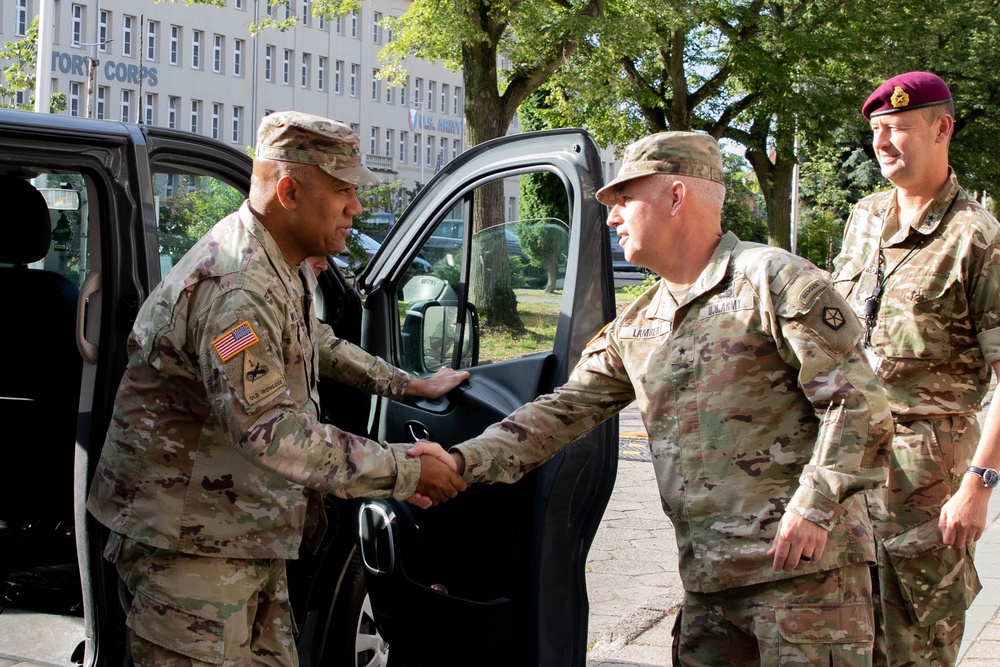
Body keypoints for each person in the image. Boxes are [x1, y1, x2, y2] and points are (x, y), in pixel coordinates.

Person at [413, 131, 894, 665]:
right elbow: (560, 412)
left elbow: (859, 405)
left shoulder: (775, 282)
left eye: (624, 200)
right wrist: (461, 459)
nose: (612, 217)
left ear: (676, 195)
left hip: (806, 583)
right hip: (708, 589)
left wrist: (815, 506)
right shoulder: (642, 322)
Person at [87, 111, 467, 665]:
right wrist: (406, 470)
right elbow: (270, 434)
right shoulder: (235, 288)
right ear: (289, 190)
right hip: (188, 550)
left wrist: (408, 385)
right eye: (343, 192)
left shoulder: (277, 264)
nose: (355, 208)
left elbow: (313, 340)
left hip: (239, 533)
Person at [830, 71, 1000, 667]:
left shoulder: (976, 237)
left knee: (913, 648)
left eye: (898, 128)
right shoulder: (864, 217)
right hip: (844, 469)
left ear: (942, 128)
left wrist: (979, 488)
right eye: (876, 131)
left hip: (926, 484)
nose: (882, 143)